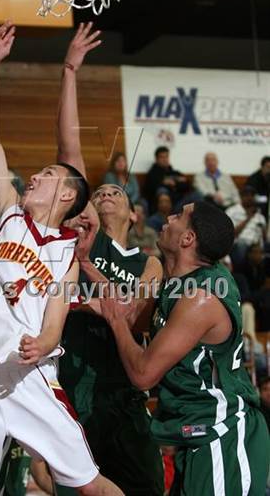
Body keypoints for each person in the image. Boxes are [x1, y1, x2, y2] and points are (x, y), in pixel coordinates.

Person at [0, 22, 122, 495]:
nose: (35, 176)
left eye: (47, 173)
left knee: (88, 483)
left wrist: (44, 342)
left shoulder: (65, 252)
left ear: (67, 193)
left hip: (25, 374)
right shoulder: (5, 212)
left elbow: (56, 316)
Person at [54, 22, 164, 496]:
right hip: (76, 382)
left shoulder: (151, 262)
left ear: (135, 212)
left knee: (146, 488)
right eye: (99, 192)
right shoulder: (88, 234)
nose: (105, 193)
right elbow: (70, 151)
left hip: (122, 393)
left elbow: (138, 318)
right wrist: (70, 69)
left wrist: (99, 291)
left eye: (115, 190)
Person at [94, 200, 269, 495]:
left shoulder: (200, 298)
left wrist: (114, 320)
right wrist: (87, 264)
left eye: (178, 216)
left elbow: (143, 373)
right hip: (199, 438)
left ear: (188, 239)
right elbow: (131, 316)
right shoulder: (179, 282)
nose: (168, 217)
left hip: (221, 438)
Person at [226, 186, 267, 267]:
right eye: (247, 195)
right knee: (242, 244)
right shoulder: (231, 211)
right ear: (241, 197)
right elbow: (231, 234)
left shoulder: (259, 215)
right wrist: (248, 218)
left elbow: (264, 237)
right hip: (239, 245)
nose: (250, 198)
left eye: (252, 195)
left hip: (256, 246)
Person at [143, 146, 190, 212]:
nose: (165, 159)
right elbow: (151, 188)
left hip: (178, 201)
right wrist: (166, 183)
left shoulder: (174, 172)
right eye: (162, 157)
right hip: (159, 204)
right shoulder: (152, 173)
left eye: (166, 156)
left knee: (196, 195)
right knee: (162, 191)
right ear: (156, 159)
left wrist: (174, 183)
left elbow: (187, 184)